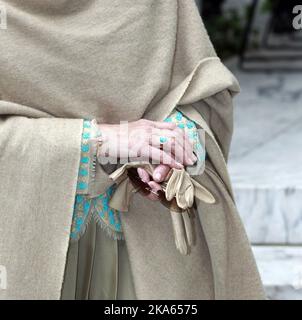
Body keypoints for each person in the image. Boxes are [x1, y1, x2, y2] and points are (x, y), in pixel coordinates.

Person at [0, 0, 265, 300]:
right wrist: (98, 143)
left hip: (152, 252)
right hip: (25, 249)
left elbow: (203, 90)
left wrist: (170, 143)